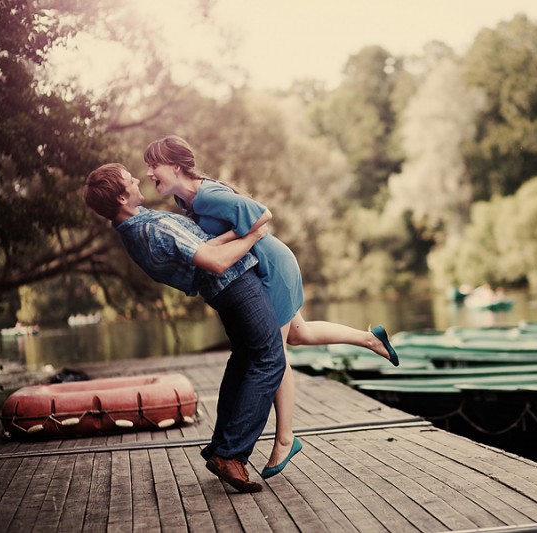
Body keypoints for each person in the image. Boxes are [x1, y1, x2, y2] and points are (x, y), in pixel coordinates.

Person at [143, 135, 399, 479]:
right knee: (299, 333)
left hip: (271, 267)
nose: (149, 173)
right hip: (265, 265)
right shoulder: (185, 198)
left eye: (154, 165)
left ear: (175, 166)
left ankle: (285, 439)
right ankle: (369, 339)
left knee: (274, 353)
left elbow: (263, 215)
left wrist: (218, 242)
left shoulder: (207, 195)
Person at [83, 163, 286, 493]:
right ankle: (231, 454)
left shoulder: (131, 226)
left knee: (245, 359)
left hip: (223, 289)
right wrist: (254, 234)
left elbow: (202, 245)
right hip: (235, 284)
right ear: (121, 197)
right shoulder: (152, 227)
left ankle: (222, 447)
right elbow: (216, 261)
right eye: (130, 180)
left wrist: (239, 232)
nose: (137, 180)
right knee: (270, 360)